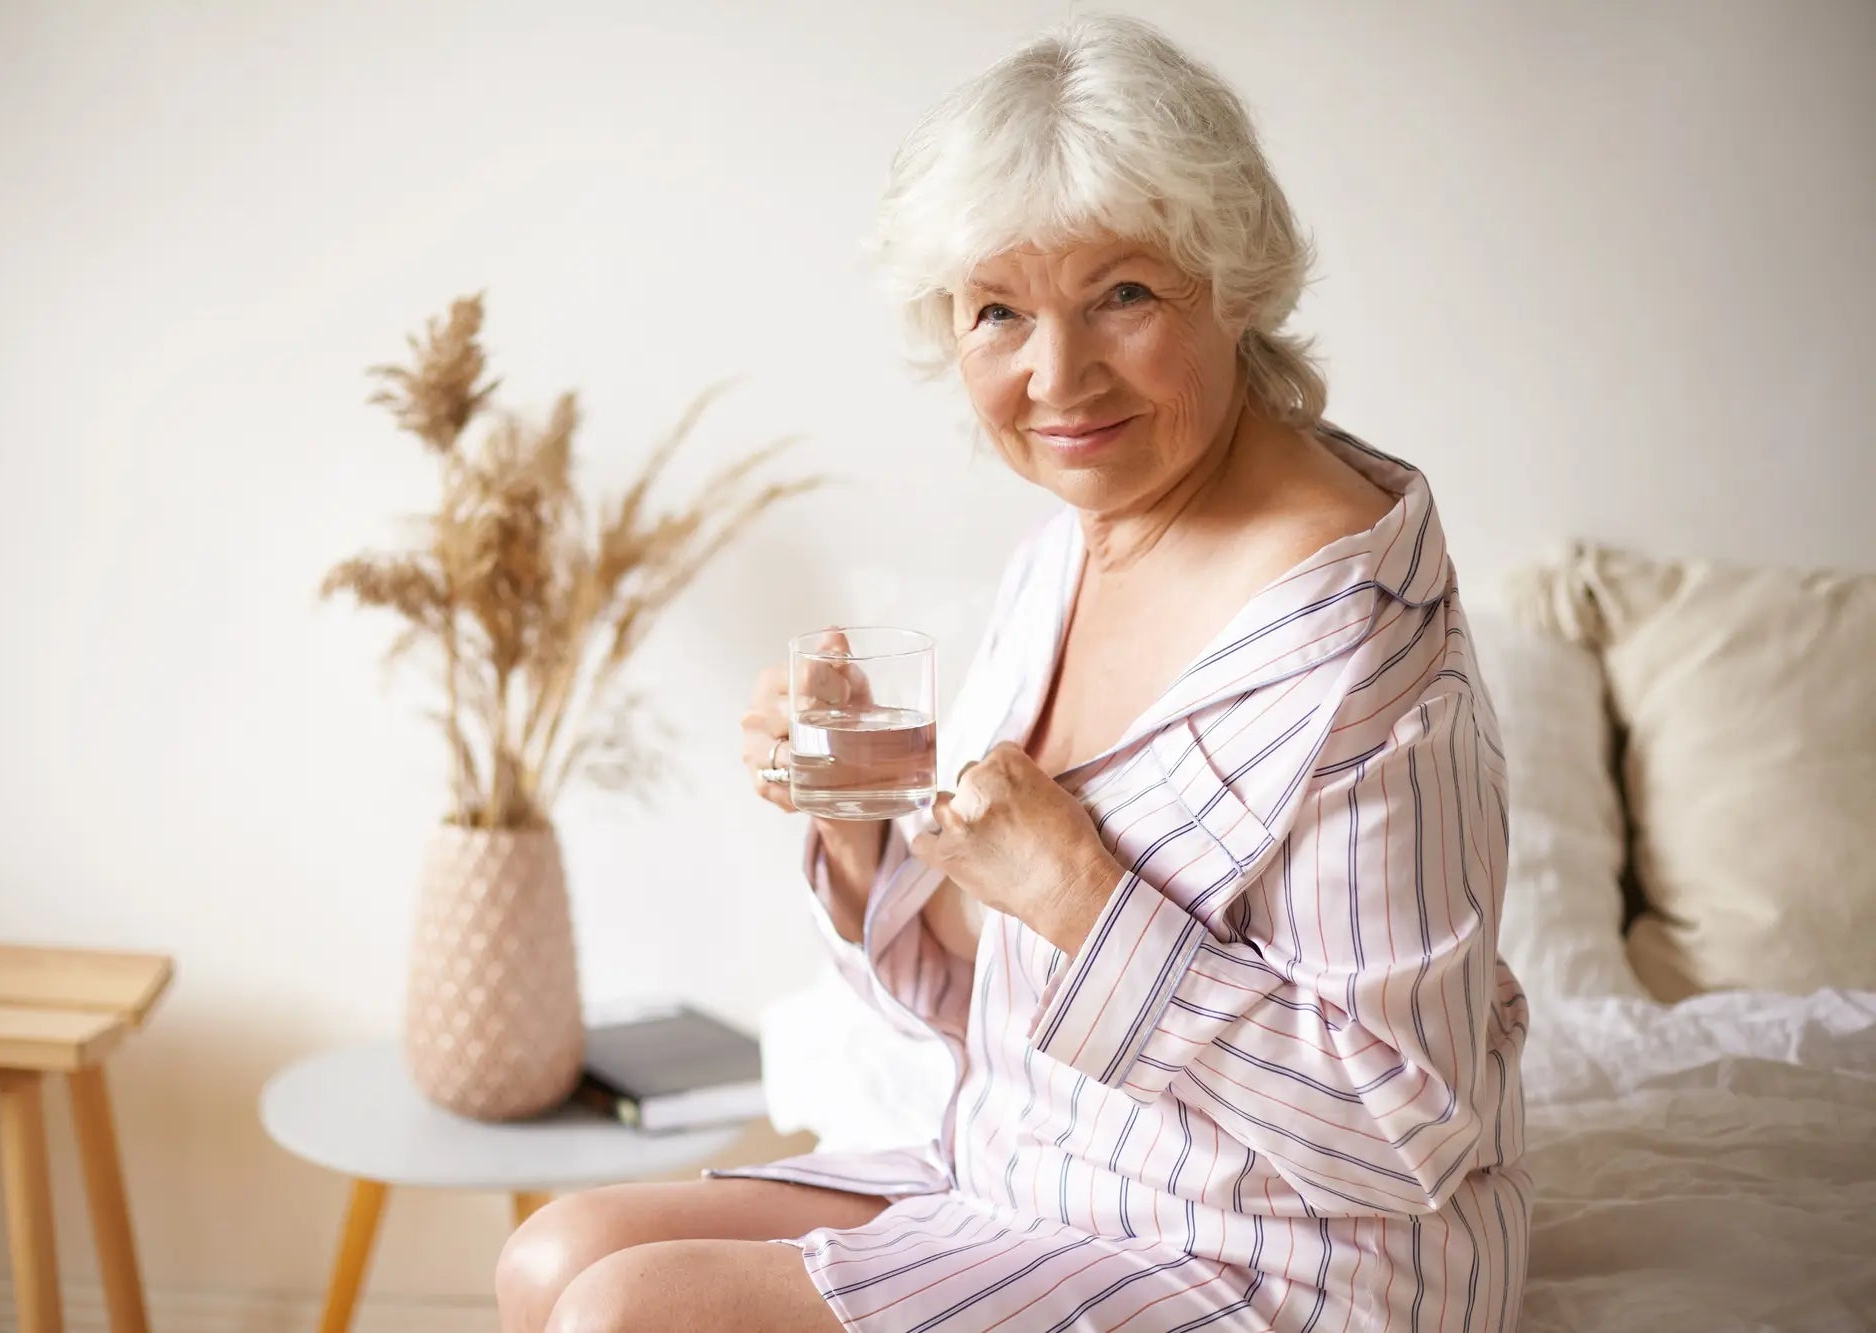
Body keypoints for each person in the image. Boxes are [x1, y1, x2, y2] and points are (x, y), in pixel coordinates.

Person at [498, 13, 1528, 1331]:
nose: (1057, 376)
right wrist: (860, 813)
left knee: (624, 1312)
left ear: (1235, 284)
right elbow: (987, 1000)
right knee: (552, 1257)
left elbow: (1408, 1132)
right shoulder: (1065, 558)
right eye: (999, 311)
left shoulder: (1356, 639)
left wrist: (1085, 896)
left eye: (1125, 295)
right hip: (1033, 1173)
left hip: (1280, 1256)